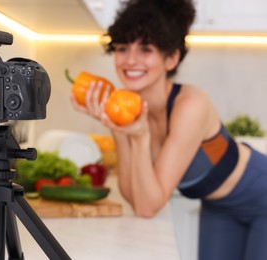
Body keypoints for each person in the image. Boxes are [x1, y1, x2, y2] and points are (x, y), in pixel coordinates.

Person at [70, 0, 267, 259]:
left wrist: (139, 138)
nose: (130, 60)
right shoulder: (129, 109)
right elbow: (139, 201)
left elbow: (150, 205)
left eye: (146, 49)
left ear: (171, 58)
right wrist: (117, 129)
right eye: (122, 48)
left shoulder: (190, 105)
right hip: (218, 206)